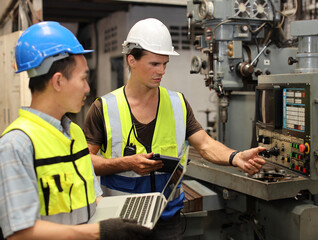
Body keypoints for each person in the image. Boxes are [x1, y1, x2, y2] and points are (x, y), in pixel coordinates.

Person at [83, 18, 266, 240]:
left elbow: (205, 144)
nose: (161, 71)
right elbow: (85, 163)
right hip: (122, 219)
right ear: (132, 60)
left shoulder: (177, 103)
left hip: (167, 219)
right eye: (154, 64)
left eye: (165, 64)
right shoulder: (103, 107)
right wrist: (125, 163)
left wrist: (235, 157)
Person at [0, 21, 151, 240]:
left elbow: (92, 199)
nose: (88, 88)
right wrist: (98, 232)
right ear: (58, 81)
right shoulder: (17, 145)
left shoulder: (76, 134)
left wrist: (121, 217)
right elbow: (19, 233)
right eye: (83, 78)